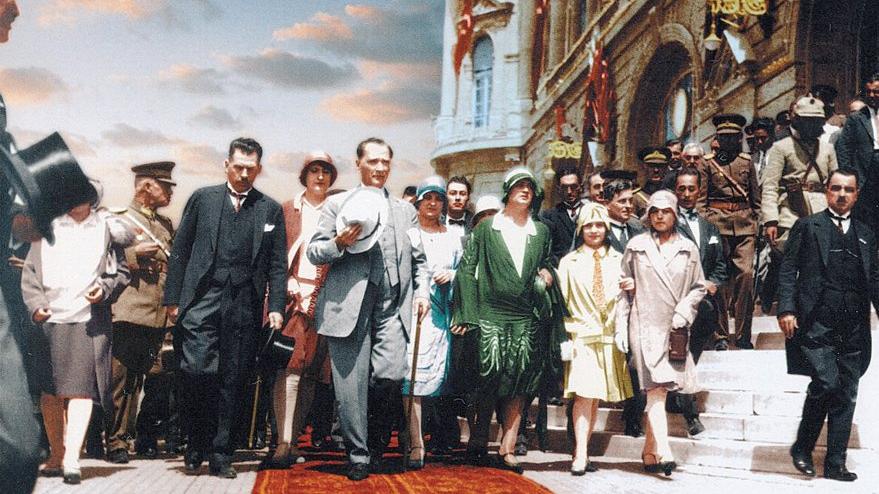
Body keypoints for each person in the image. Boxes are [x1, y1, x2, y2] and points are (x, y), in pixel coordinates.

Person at [163, 137, 287, 479]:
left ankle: (221, 454)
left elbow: (277, 264)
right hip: (202, 298)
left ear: (259, 169)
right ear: (226, 164)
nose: (244, 174)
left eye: (251, 169)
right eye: (238, 167)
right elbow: (180, 250)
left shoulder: (269, 209)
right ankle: (194, 441)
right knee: (196, 371)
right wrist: (173, 299)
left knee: (233, 378)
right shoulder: (203, 199)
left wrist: (276, 306)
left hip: (245, 303)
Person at [307, 137, 429, 481]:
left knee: (389, 375)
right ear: (358, 163)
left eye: (385, 162)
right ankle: (359, 455)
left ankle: (376, 443)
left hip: (392, 306)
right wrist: (338, 243)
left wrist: (422, 293)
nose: (379, 168)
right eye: (373, 161)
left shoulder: (406, 211)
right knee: (351, 387)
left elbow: (419, 261)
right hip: (349, 306)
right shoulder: (337, 204)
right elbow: (315, 251)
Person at [22, 193, 133, 485]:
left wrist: (104, 289)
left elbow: (121, 273)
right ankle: (57, 454)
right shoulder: (47, 226)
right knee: (50, 392)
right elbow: (29, 273)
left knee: (81, 391)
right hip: (49, 318)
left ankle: (72, 458)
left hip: (87, 321)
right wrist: (36, 305)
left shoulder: (106, 229)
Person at [451, 167, 556, 474]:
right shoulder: (487, 229)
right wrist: (468, 313)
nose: (525, 190)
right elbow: (466, 270)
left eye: (530, 186)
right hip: (490, 314)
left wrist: (548, 273)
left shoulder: (541, 232)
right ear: (508, 190)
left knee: (520, 382)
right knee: (487, 377)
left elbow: (546, 262)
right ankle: (478, 440)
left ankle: (507, 448)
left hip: (525, 316)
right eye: (519, 185)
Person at [779, 169, 878, 482]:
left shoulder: (865, 233)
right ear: (827, 191)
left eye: (848, 190)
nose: (842, 195)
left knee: (847, 392)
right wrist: (787, 309)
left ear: (856, 195)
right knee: (825, 383)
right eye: (836, 188)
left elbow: (875, 279)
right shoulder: (808, 226)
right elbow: (788, 269)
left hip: (854, 327)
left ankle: (836, 463)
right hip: (817, 323)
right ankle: (802, 447)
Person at [616, 190, 706, 476]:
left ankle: (649, 452)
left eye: (665, 211)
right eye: (654, 211)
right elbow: (623, 288)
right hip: (643, 323)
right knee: (655, 387)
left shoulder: (688, 249)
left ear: (675, 215)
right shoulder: (636, 246)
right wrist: (620, 326)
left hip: (674, 327)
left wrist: (685, 311)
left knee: (662, 389)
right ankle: (665, 450)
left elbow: (699, 287)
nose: (659, 216)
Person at [261, 152, 337, 469]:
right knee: (289, 369)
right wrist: (285, 285)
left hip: (325, 300)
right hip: (292, 298)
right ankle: (282, 441)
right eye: (314, 170)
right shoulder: (286, 210)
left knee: (310, 374)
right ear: (304, 175)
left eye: (325, 171)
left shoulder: (338, 210)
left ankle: (293, 440)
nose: (319, 177)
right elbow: (273, 256)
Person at [106, 162, 176, 464]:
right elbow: (103, 258)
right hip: (130, 310)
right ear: (146, 187)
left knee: (158, 378)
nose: (171, 192)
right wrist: (133, 255)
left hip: (159, 312)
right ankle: (116, 441)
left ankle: (147, 437)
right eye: (165, 186)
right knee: (123, 382)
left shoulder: (166, 224)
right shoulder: (118, 219)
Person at [556, 202, 633, 475]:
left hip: (609, 337)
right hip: (581, 336)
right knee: (584, 394)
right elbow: (561, 303)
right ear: (580, 229)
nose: (594, 230)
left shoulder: (620, 259)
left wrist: (622, 327)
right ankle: (579, 454)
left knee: (595, 396)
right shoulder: (569, 262)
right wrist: (563, 338)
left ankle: (584, 451)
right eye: (588, 225)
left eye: (599, 224)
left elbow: (625, 300)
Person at [402, 176, 462, 469]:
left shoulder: (454, 236)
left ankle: (437, 437)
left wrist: (453, 276)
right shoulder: (409, 235)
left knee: (438, 378)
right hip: (414, 313)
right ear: (419, 201)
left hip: (443, 315)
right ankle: (416, 442)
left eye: (438, 199)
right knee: (412, 377)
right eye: (427, 198)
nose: (433, 203)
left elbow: (468, 272)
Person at [670, 168, 729, 435]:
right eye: (681, 189)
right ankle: (690, 413)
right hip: (676, 300)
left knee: (689, 352)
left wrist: (712, 283)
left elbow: (720, 264)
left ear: (699, 190)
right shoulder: (668, 225)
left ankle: (677, 393)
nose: (686, 194)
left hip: (703, 303)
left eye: (691, 188)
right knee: (682, 353)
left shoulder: (710, 228)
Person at [700, 113, 760, 350]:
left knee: (746, 276)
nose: (728, 141)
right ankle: (720, 336)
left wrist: (758, 223)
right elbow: (701, 200)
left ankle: (743, 335)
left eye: (733, 137)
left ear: (739, 138)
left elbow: (755, 198)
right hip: (717, 226)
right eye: (724, 137)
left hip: (745, 226)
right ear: (717, 138)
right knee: (720, 280)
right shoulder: (707, 163)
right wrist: (706, 227)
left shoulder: (746, 162)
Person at [601, 170, 647, 437]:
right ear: (608, 203)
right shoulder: (597, 228)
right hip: (606, 304)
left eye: (630, 201)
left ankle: (632, 416)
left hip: (635, 304)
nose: (628, 206)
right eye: (622, 201)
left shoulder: (639, 229)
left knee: (635, 362)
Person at [762, 96, 838, 254]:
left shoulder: (828, 149)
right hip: (790, 213)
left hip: (822, 211)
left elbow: (836, 184)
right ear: (796, 121)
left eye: (815, 121)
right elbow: (770, 186)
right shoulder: (780, 147)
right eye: (806, 120)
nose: (810, 125)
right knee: (789, 258)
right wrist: (771, 220)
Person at [835, 73, 879, 235]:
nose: (871, 95)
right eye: (868, 92)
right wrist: (850, 176)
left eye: (876, 92)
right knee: (865, 223)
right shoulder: (856, 118)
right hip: (865, 177)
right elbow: (844, 149)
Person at [540, 162, 584, 267]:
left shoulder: (591, 213)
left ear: (581, 187)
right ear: (558, 189)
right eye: (564, 188)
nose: (569, 192)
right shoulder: (549, 216)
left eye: (573, 187)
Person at [634, 147, 671, 214]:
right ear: (644, 167)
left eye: (660, 166)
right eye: (651, 166)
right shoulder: (636, 197)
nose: (656, 170)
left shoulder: (671, 196)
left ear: (665, 169)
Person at [745, 117, 775, 182]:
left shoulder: (780, 156)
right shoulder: (751, 159)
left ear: (772, 136)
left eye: (763, 138)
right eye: (757, 138)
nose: (760, 142)